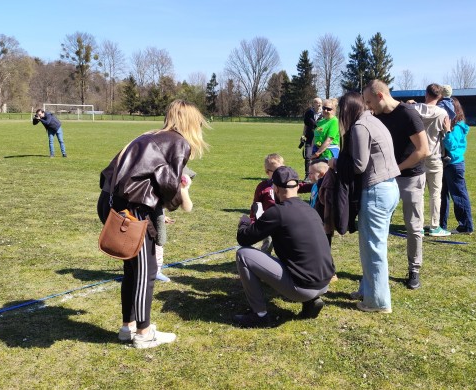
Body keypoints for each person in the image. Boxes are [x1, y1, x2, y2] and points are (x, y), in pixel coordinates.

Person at [98, 100, 209, 348]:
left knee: (132, 270)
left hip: (114, 204)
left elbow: (110, 172)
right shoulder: (177, 142)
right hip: (134, 210)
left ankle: (127, 327)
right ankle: (143, 332)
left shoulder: (148, 136)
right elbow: (168, 185)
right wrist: (181, 193)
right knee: (146, 272)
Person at [235, 166, 336, 328]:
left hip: (303, 288)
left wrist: (245, 221)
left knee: (243, 255)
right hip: (324, 283)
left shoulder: (277, 212)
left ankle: (259, 315)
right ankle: (311, 301)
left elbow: (244, 239)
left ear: (275, 188)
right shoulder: (310, 209)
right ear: (297, 186)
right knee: (299, 254)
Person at [363, 80, 430, 290]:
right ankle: (378, 271)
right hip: (385, 178)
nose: (368, 106)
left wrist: (396, 168)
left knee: (413, 225)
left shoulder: (408, 114)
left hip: (410, 177)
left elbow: (423, 150)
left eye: (369, 101)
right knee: (380, 224)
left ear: (380, 96)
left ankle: (414, 269)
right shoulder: (375, 116)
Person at [338, 92, 401, 312]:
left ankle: (378, 302)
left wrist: (335, 163)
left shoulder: (360, 126)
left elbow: (359, 165)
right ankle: (368, 289)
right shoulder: (374, 121)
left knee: (374, 248)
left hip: (376, 191)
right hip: (390, 188)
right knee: (372, 245)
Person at [409, 84, 452, 237]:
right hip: (434, 155)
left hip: (418, 155)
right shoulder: (442, 113)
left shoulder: (415, 109)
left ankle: (419, 226)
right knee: (435, 193)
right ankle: (434, 226)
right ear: (439, 97)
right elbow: (444, 134)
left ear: (426, 94)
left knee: (418, 193)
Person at [152, 167, 195, 282]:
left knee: (157, 242)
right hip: (149, 210)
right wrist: (184, 189)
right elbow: (187, 207)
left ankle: (155, 270)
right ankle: (153, 271)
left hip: (153, 209)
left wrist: (162, 216)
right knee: (158, 241)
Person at [440, 97, 474, 234]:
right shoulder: (455, 124)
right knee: (442, 195)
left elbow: (452, 145)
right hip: (446, 164)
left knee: (459, 195)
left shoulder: (457, 126)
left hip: (454, 164)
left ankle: (466, 226)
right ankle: (440, 225)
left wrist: (448, 131)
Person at [249, 153, 285, 253]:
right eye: (276, 171)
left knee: (285, 243)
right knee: (268, 242)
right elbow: (256, 205)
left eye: (282, 169)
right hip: (269, 221)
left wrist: (313, 185)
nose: (280, 173)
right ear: (267, 172)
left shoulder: (285, 183)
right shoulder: (262, 187)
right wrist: (252, 220)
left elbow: (299, 187)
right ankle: (264, 257)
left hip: (283, 219)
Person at [300, 98, 323, 180]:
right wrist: (303, 135)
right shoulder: (309, 113)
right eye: (317, 103)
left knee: (319, 158)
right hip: (309, 138)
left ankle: (319, 176)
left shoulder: (324, 114)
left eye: (320, 103)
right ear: (313, 104)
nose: (319, 104)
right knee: (308, 157)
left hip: (320, 140)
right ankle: (307, 176)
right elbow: (306, 125)